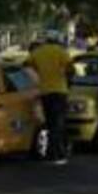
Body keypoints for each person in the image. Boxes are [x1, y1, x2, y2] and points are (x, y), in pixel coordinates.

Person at [27, 30, 73, 165]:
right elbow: (71, 68)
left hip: (45, 91)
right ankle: (58, 154)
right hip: (59, 91)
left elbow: (27, 64)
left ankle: (50, 153)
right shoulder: (61, 51)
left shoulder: (38, 52)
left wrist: (39, 74)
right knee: (58, 124)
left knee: (50, 123)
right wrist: (64, 75)